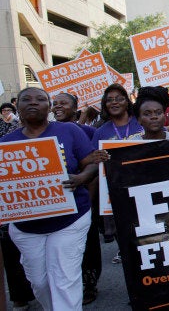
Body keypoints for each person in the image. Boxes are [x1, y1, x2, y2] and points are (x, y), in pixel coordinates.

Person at [1, 87, 98, 310]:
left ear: (49, 107)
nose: (33, 103)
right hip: (27, 227)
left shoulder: (69, 131)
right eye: (26, 99)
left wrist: (81, 177)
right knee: (41, 282)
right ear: (17, 106)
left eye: (40, 99)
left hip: (71, 219)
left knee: (64, 281)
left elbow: (92, 162)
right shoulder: (6, 143)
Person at [52, 93, 102, 304]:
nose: (58, 107)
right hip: (52, 204)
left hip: (81, 199)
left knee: (87, 246)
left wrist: (84, 180)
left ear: (75, 108)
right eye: (55, 104)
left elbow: (92, 162)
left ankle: (88, 283)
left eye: (63, 103)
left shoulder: (88, 132)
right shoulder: (44, 133)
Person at [91, 83, 143, 264]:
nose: (114, 102)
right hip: (116, 192)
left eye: (119, 98)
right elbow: (93, 162)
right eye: (109, 100)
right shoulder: (100, 132)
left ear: (127, 102)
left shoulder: (141, 121)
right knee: (126, 239)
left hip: (144, 187)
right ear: (105, 104)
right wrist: (96, 158)